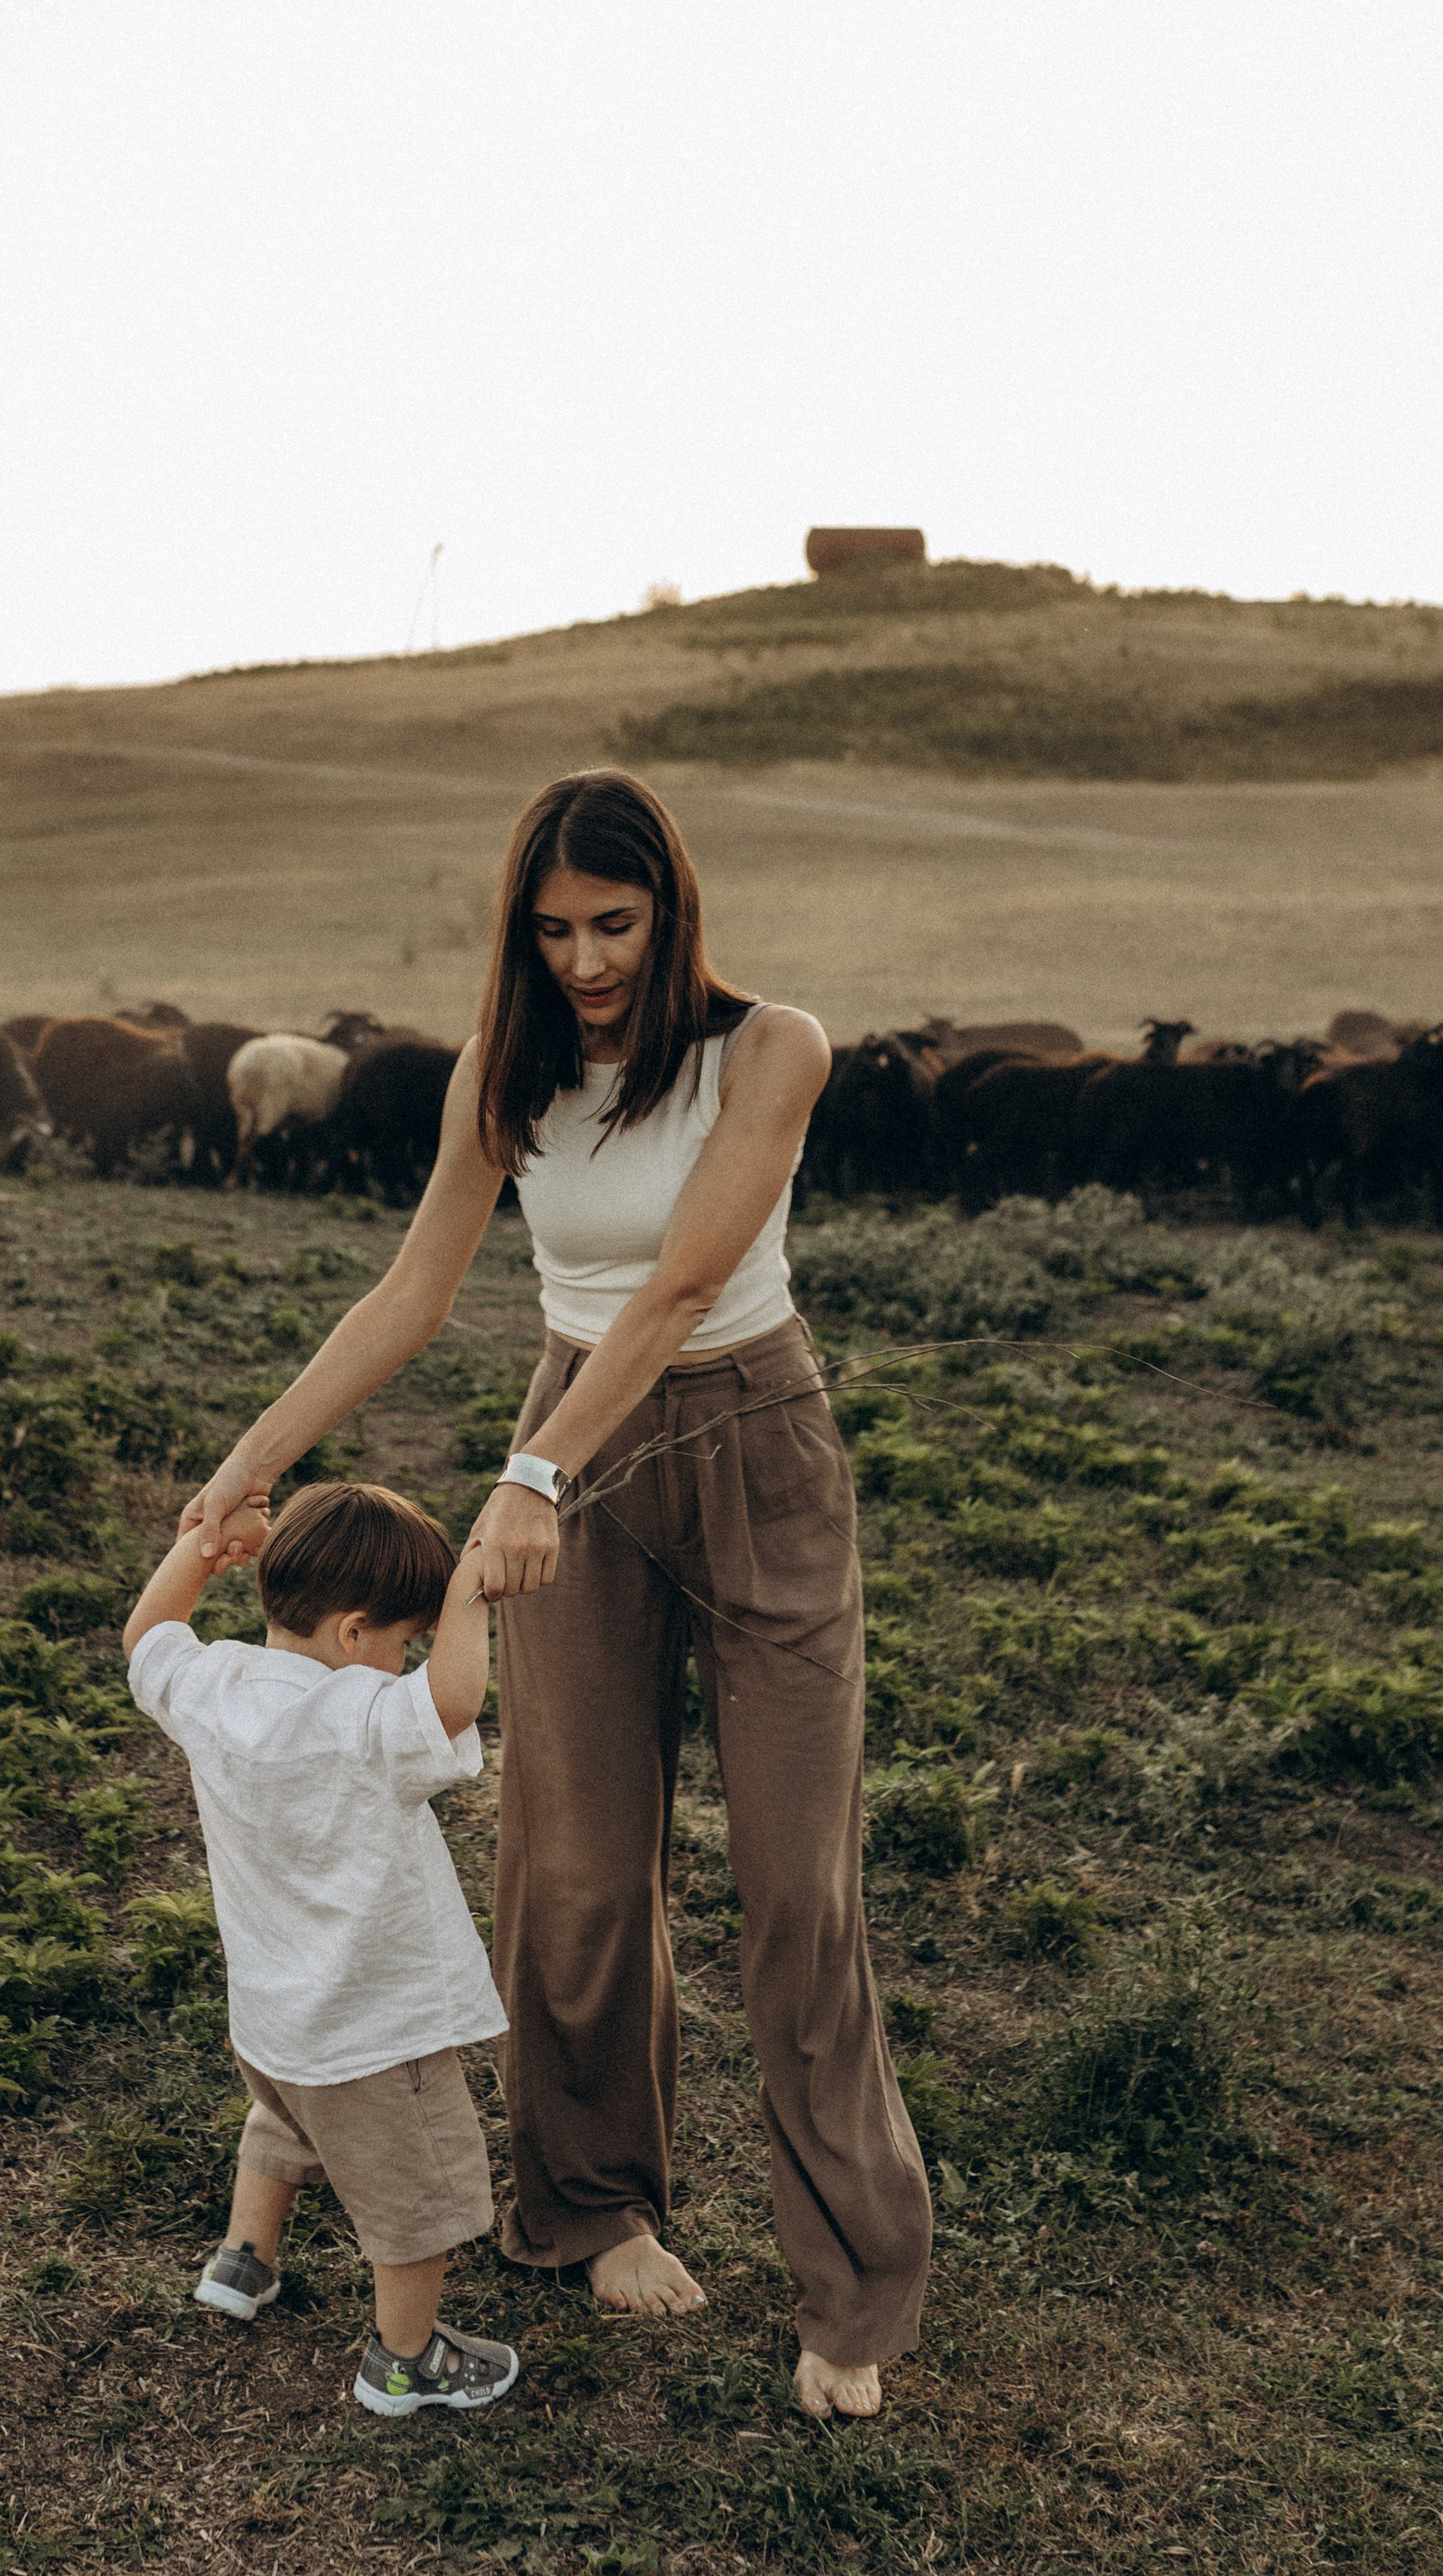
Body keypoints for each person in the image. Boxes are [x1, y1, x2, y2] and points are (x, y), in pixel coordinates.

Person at [184, 769, 931, 2420]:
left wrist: (533, 1476)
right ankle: (593, 2206)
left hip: (750, 1438)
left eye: (616, 923)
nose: (586, 960)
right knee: (578, 1864)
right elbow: (411, 1292)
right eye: (552, 930)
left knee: (796, 1886)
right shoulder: (502, 1072)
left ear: (671, 910)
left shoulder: (771, 1049)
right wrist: (246, 1466)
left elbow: (680, 1287)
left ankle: (851, 2294)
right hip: (571, 1434)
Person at [123, 1478, 520, 2418]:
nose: (408, 1663)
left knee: (286, 2124)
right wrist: (473, 1585)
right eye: (405, 1642)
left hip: (271, 2018)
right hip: (375, 2029)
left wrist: (204, 1545)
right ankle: (405, 2361)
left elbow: (146, 1635)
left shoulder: (212, 1685)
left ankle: (242, 2261)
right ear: (353, 1634)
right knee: (413, 2192)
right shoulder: (361, 1718)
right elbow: (455, 1700)